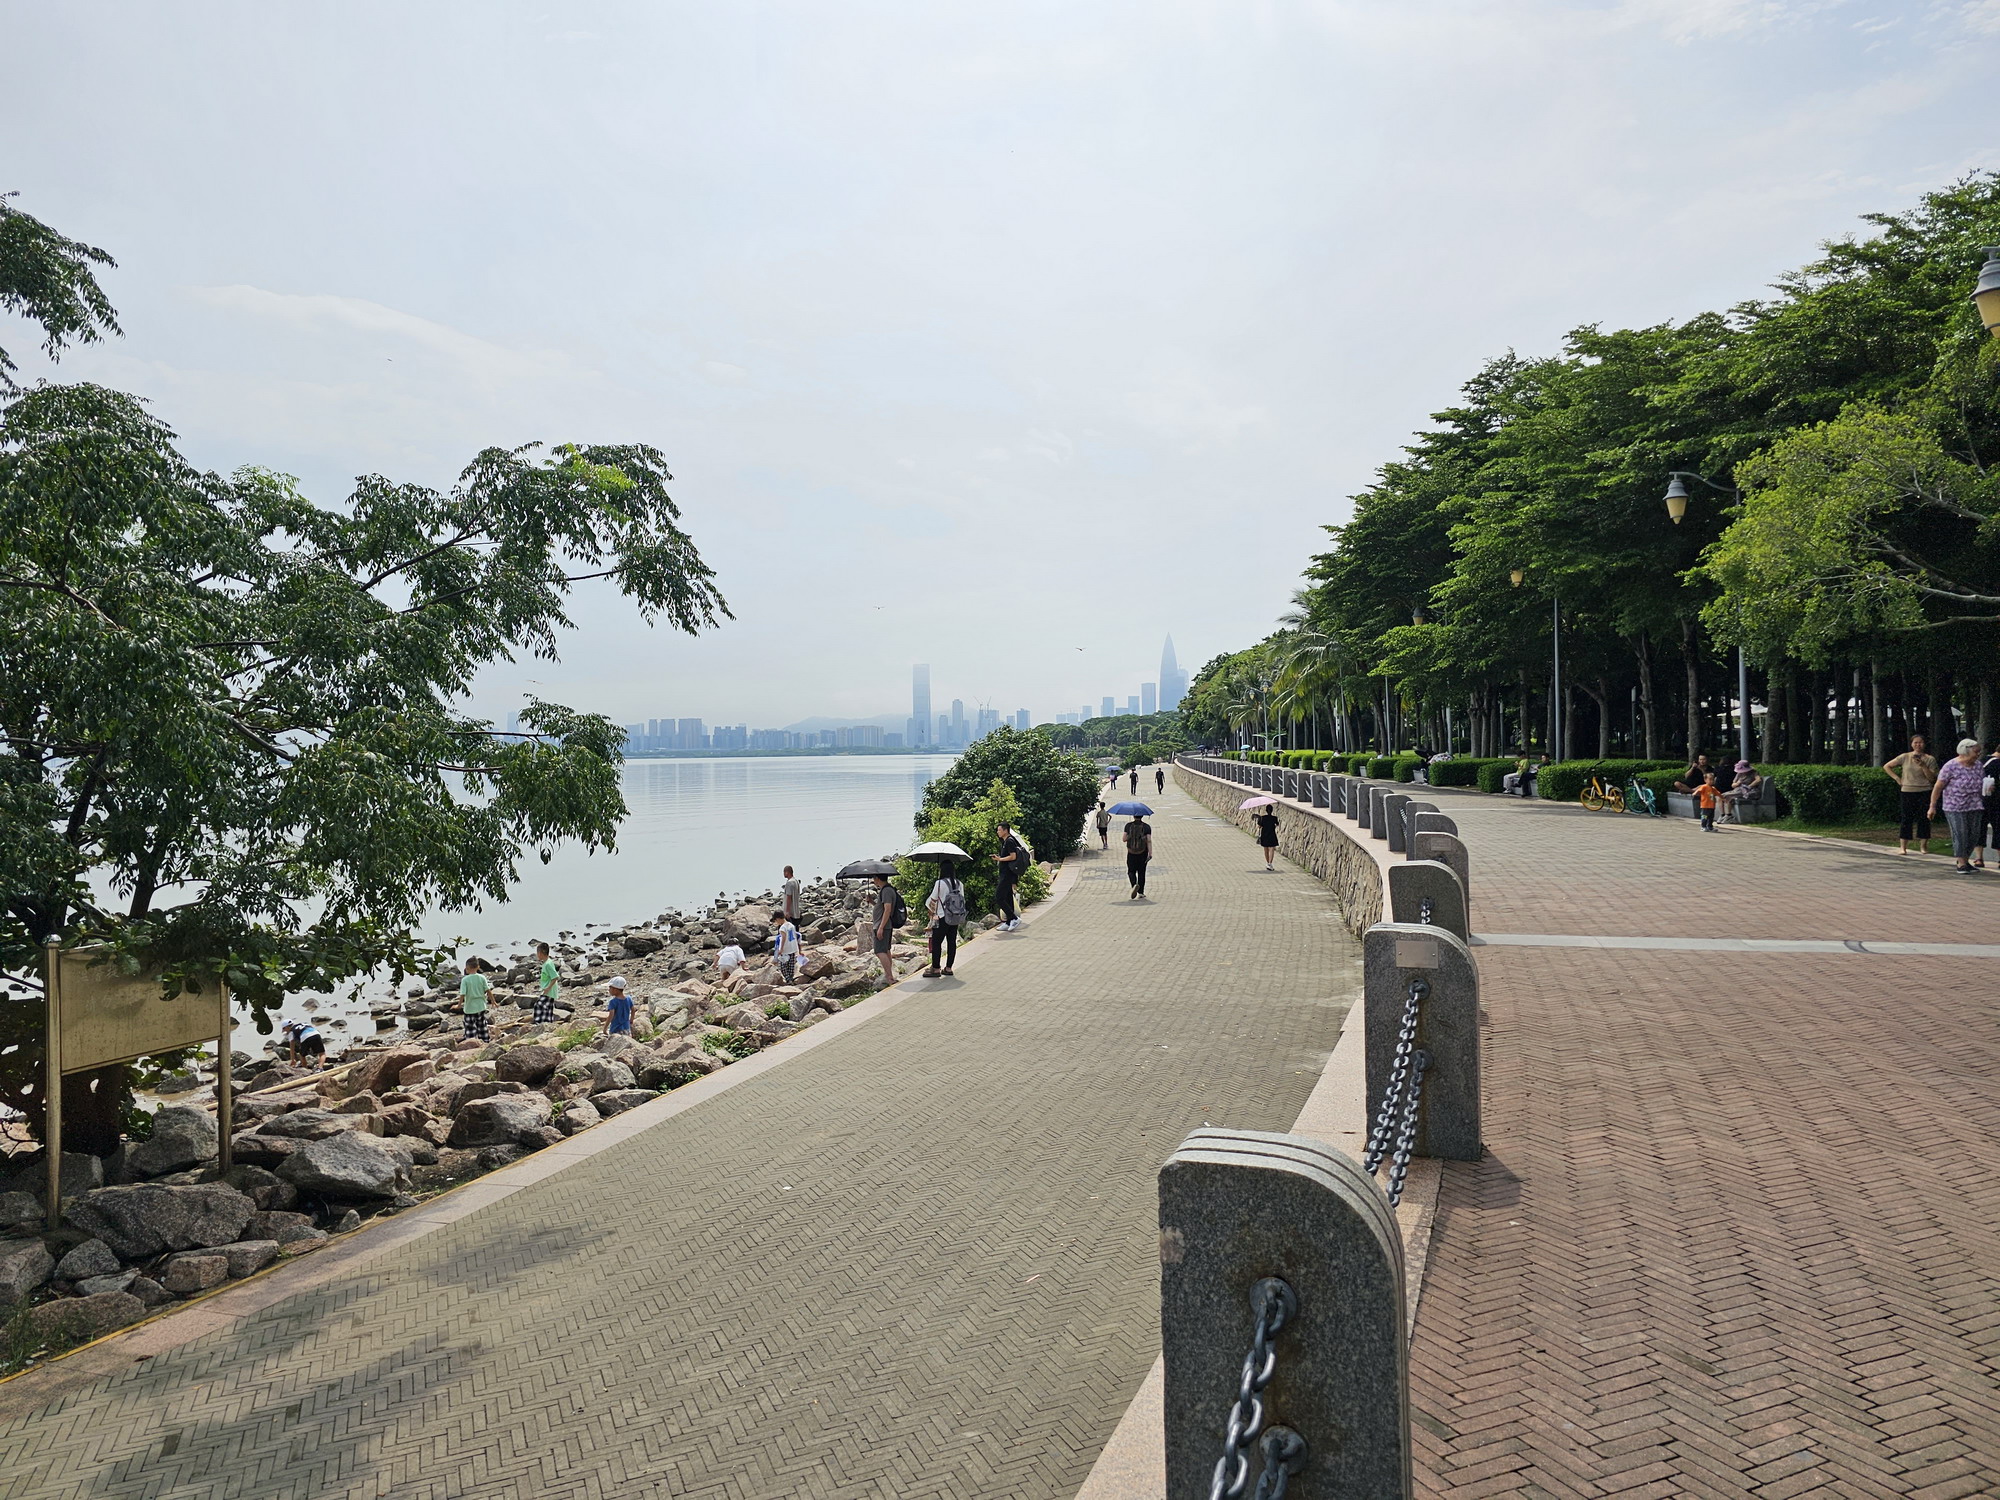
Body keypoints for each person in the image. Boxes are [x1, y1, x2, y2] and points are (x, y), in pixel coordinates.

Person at [1929, 738, 1986, 874]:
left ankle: (1965, 860)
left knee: (1974, 835)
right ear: (1965, 751)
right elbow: (1938, 786)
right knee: (1960, 834)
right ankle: (1961, 863)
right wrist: (1932, 806)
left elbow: (1982, 782)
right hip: (1955, 806)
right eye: (1976, 751)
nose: (1978, 754)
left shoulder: (1978, 765)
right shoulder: (1950, 766)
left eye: (1979, 751)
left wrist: (1988, 788)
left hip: (1975, 804)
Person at [1884, 733, 1939, 855]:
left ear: (1924, 744)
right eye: (1916, 743)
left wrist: (1923, 765)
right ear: (1912, 744)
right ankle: (1903, 847)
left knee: (1924, 819)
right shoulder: (1905, 757)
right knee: (1906, 819)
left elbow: (1932, 778)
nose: (1918, 745)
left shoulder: (1930, 759)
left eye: (1920, 742)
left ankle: (1923, 846)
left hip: (1924, 790)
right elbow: (1887, 766)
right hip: (1907, 791)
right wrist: (1897, 778)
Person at [923, 863, 967, 978]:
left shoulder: (939, 883)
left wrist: (931, 912)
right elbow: (962, 899)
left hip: (942, 917)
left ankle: (936, 969)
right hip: (955, 917)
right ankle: (948, 968)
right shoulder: (959, 883)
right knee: (951, 942)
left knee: (936, 942)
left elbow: (932, 900)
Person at [869, 873, 905, 985]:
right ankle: (890, 975)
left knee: (879, 951)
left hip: (883, 926)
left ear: (878, 878)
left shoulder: (886, 891)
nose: (873, 880)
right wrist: (872, 902)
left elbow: (887, 909)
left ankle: (889, 977)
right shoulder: (886, 890)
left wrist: (881, 927)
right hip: (884, 925)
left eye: (874, 878)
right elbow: (882, 907)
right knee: (886, 950)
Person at [993, 821, 1028, 930]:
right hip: (1005, 873)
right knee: (1008, 897)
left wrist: (1000, 859)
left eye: (999, 830)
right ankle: (1009, 922)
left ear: (1005, 830)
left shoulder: (1009, 841)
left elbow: (1013, 856)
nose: (998, 832)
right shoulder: (1005, 842)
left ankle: (1014, 918)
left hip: (1007, 874)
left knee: (999, 897)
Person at [458, 956, 490, 1041]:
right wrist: (494, 1001)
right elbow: (488, 990)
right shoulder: (482, 977)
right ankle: (485, 1040)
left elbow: (462, 994)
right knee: (482, 1025)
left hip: (469, 1008)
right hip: (481, 1006)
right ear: (478, 967)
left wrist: (459, 1005)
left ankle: (471, 1041)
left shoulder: (465, 980)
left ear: (466, 968)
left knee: (470, 1027)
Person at [1124, 814, 1153, 898]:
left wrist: (1130, 836)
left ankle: (1134, 885)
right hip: (1142, 853)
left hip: (1131, 853)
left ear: (1133, 816)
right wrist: (1150, 853)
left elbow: (1124, 839)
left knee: (1131, 871)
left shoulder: (1128, 826)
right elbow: (1149, 840)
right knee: (1141, 872)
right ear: (1142, 816)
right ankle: (1141, 892)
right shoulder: (1146, 827)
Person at [1980, 745, 2000, 870]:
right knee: (1998, 828)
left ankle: (1979, 858)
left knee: (1980, 828)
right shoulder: (1997, 763)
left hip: (1981, 800)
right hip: (1996, 801)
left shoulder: (1982, 761)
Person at [533, 941, 561, 1026]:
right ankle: (546, 1023)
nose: (537, 954)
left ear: (542, 953)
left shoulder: (548, 964)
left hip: (549, 992)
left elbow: (555, 977)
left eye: (538, 952)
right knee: (546, 1008)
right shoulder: (546, 963)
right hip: (547, 991)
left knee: (539, 1006)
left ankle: (542, 1024)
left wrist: (548, 988)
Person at [771, 909, 804, 982]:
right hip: (793, 947)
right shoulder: (791, 925)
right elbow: (796, 936)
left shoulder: (782, 928)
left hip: (786, 949)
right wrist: (799, 949)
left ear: (778, 919)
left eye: (776, 921)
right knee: (791, 965)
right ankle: (791, 978)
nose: (776, 922)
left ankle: (788, 979)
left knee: (783, 966)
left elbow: (783, 938)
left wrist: (781, 949)